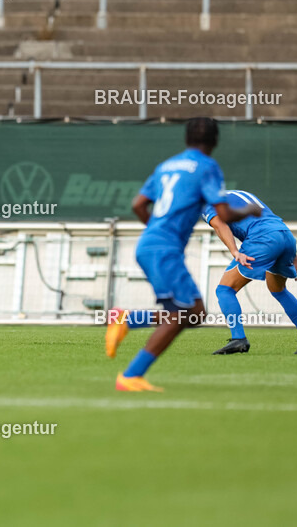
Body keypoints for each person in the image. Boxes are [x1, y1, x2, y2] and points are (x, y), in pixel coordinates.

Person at [105, 117, 262, 392]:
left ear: (186, 139)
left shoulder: (166, 166)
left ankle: (127, 322)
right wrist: (249, 210)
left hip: (148, 244)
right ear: (215, 141)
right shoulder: (207, 166)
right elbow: (223, 213)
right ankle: (130, 374)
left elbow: (138, 204)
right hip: (165, 248)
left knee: (194, 312)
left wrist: (155, 229)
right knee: (184, 314)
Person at [203, 189, 297, 354]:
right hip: (285, 235)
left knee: (225, 289)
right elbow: (268, 222)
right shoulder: (239, 193)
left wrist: (235, 252)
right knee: (278, 290)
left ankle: (238, 339)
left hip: (262, 239)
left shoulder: (206, 201)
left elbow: (220, 225)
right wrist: (295, 258)